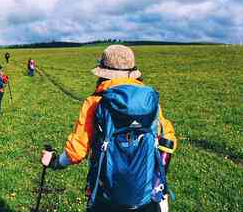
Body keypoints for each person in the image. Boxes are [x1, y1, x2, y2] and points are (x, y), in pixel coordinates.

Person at [40, 45, 176, 212]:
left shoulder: (95, 102)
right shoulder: (150, 102)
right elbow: (168, 139)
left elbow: (77, 151)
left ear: (103, 73)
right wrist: (160, 188)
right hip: (146, 195)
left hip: (106, 196)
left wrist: (55, 162)